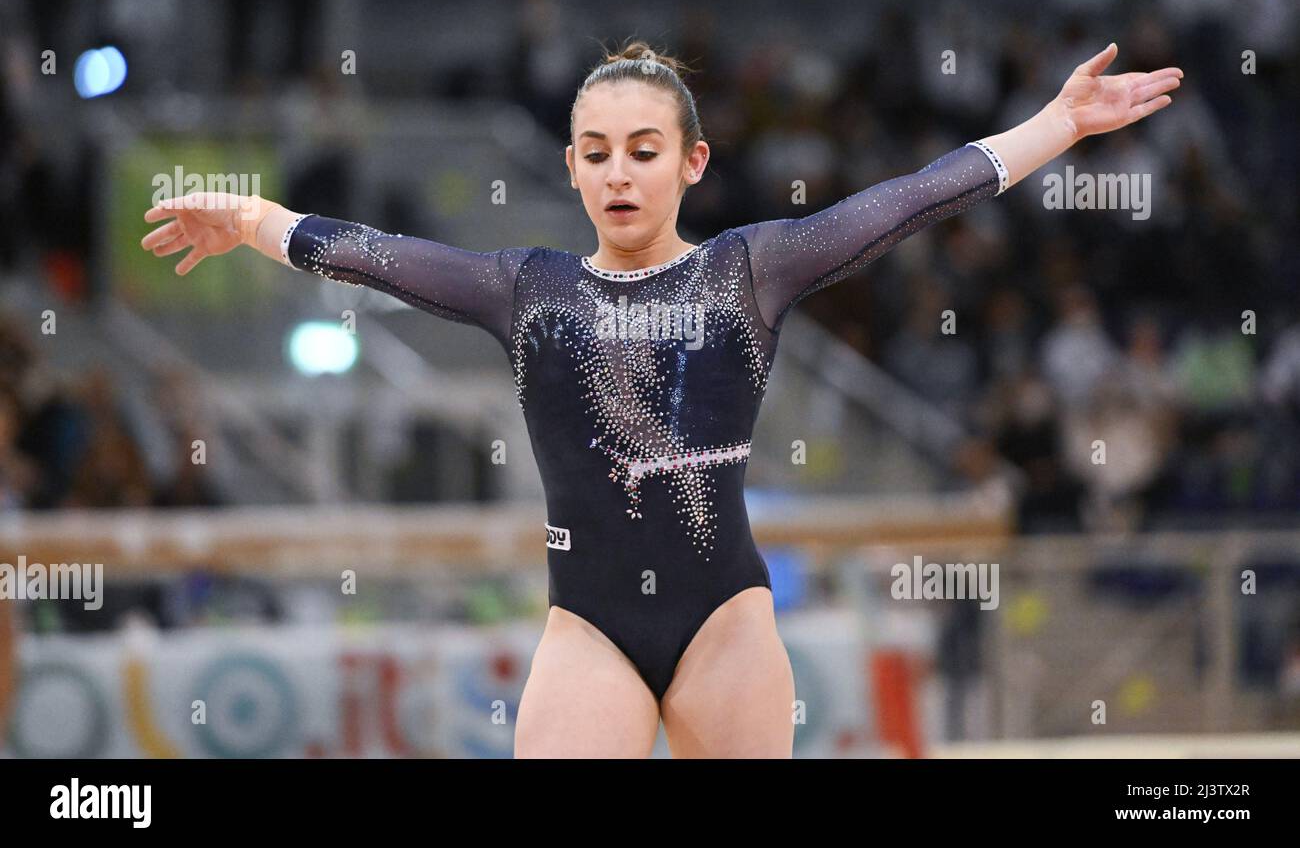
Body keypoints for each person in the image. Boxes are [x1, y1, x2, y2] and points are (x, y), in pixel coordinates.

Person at [140, 39, 1181, 757]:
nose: (618, 175)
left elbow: (909, 201)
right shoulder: (528, 288)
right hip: (587, 623)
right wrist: (254, 215)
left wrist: (1054, 124)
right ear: (571, 166)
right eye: (596, 154)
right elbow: (381, 258)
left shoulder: (749, 270)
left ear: (692, 162)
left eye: (643, 151)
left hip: (724, 617)